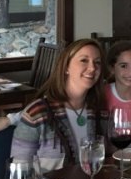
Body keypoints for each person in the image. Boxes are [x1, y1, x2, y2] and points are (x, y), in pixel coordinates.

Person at [10, 39, 106, 172]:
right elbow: (20, 172)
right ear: (66, 67)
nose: (92, 68)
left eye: (97, 62)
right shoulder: (37, 113)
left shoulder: (99, 111)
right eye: (84, 60)